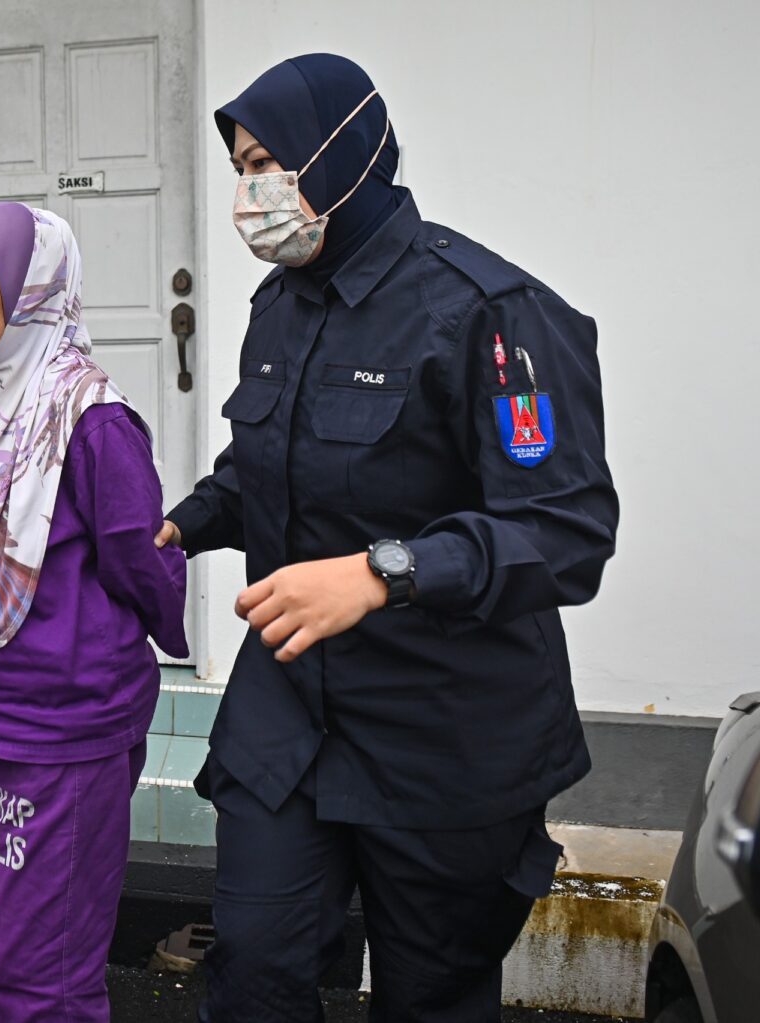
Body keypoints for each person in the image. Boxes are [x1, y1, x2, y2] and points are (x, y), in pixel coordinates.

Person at [155, 54, 619, 1021]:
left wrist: (385, 573)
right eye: (242, 166)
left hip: (444, 733)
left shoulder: (491, 312)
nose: (252, 191)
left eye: (268, 162)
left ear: (345, 153)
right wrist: (182, 524)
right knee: (255, 967)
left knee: (431, 994)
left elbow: (567, 530)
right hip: (292, 711)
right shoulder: (277, 307)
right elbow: (268, 467)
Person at [0, 201, 188, 1021]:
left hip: (60, 725)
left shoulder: (94, 421)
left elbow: (140, 560)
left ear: (34, 290)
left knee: (46, 972)